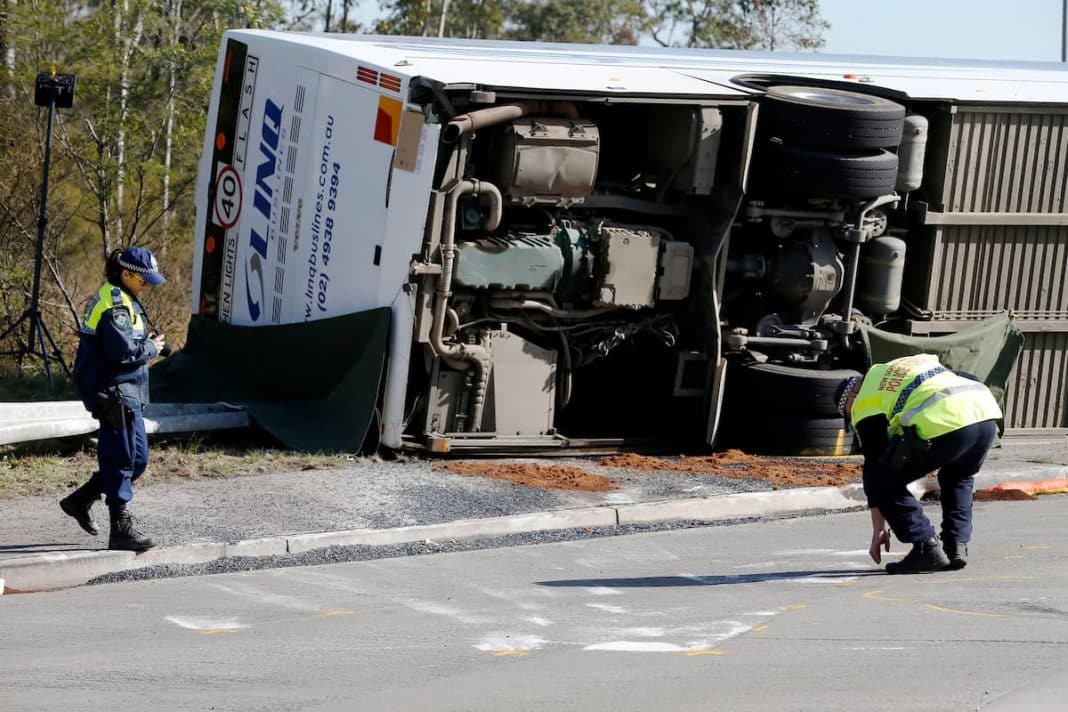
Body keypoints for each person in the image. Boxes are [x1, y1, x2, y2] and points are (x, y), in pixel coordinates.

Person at [835, 353, 1002, 574]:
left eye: (846, 412)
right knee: (957, 476)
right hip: (984, 412)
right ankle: (956, 546)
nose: (851, 417)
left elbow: (875, 470)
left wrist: (878, 529)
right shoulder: (894, 369)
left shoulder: (864, 402)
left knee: (882, 480)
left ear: (851, 396)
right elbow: (961, 375)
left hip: (948, 420)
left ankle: (926, 547)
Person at [61, 247, 167, 551]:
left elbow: (128, 345)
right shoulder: (114, 304)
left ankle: (80, 500)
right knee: (122, 458)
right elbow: (122, 353)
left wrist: (150, 345)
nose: (148, 286)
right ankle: (120, 530)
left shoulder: (125, 300)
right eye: (144, 280)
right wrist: (151, 349)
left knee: (138, 460)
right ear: (126, 274)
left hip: (125, 389)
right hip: (112, 391)